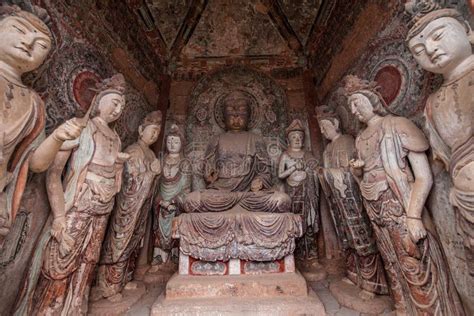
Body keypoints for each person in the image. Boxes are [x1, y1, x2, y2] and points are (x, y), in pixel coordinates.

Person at [345, 74, 465, 315]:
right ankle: (402, 308)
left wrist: (413, 216)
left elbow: (423, 176)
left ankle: (430, 311)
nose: (355, 110)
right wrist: (358, 173)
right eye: (351, 107)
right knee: (391, 261)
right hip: (375, 206)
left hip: (400, 206)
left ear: (372, 100)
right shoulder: (360, 139)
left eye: (358, 102)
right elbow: (365, 178)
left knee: (413, 261)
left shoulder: (397, 125)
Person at [27, 74, 129, 315]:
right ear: (99, 101)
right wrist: (60, 215)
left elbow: (116, 179)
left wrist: (118, 167)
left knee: (89, 258)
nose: (118, 109)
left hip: (103, 206)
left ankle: (76, 305)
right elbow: (54, 174)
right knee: (61, 257)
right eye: (115, 102)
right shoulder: (80, 127)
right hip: (78, 202)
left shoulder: (116, 138)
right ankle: (50, 308)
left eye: (122, 106)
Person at [0, 5, 83, 247]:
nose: (28, 43)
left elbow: (35, 163)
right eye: (19, 30)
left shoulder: (34, 104)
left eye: (41, 45)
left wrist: (57, 136)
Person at [406, 0, 474, 275]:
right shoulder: (433, 103)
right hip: (464, 195)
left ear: (467, 29)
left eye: (438, 35)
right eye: (419, 50)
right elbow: (442, 163)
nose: (431, 50)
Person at [182, 90, 291, 214]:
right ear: (223, 117)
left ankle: (235, 208)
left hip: (249, 194)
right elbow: (208, 170)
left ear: (249, 116)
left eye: (241, 112)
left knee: (282, 200)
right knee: (191, 201)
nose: (236, 117)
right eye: (230, 113)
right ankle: (236, 208)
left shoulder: (255, 139)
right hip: (221, 192)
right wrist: (210, 174)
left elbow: (264, 171)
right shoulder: (217, 139)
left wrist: (259, 181)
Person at [93, 111, 162, 300]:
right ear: (141, 130)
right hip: (128, 207)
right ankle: (107, 285)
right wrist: (151, 174)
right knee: (119, 240)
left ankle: (123, 279)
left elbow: (149, 183)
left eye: (157, 132)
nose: (155, 135)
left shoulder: (150, 153)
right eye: (152, 131)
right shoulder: (133, 151)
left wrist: (153, 176)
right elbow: (131, 183)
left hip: (140, 206)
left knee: (134, 239)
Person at [318, 112, 388, 298]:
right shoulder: (327, 150)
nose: (323, 131)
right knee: (346, 237)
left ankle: (372, 284)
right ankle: (353, 274)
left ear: (335, 124)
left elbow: (353, 167)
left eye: (325, 126)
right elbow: (327, 172)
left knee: (361, 237)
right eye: (321, 129)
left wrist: (337, 172)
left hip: (351, 198)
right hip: (338, 199)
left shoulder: (348, 141)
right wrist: (324, 174)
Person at [278, 119, 319, 259]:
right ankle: (295, 254)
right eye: (294, 137)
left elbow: (316, 169)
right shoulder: (285, 155)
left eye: (300, 137)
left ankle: (311, 254)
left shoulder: (307, 154)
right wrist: (294, 167)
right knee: (295, 220)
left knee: (309, 220)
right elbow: (280, 174)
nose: (297, 140)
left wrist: (310, 171)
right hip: (293, 191)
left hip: (307, 190)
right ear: (288, 140)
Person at [152, 124, 191, 267]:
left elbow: (186, 188)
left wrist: (173, 201)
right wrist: (160, 200)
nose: (172, 145)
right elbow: (154, 184)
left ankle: (175, 256)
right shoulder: (161, 161)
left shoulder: (185, 163)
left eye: (176, 142)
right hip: (161, 202)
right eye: (169, 141)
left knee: (176, 228)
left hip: (176, 204)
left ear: (182, 144)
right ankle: (159, 256)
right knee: (159, 231)